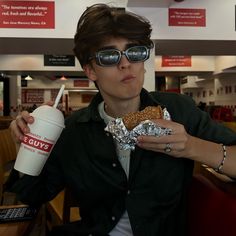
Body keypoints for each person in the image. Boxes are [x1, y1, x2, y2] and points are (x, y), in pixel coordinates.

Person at [8, 3, 236, 236]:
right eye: (109, 56)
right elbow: (33, 195)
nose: (126, 63)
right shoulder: (73, 131)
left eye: (135, 52)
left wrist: (191, 146)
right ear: (90, 71)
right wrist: (28, 148)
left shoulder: (179, 110)